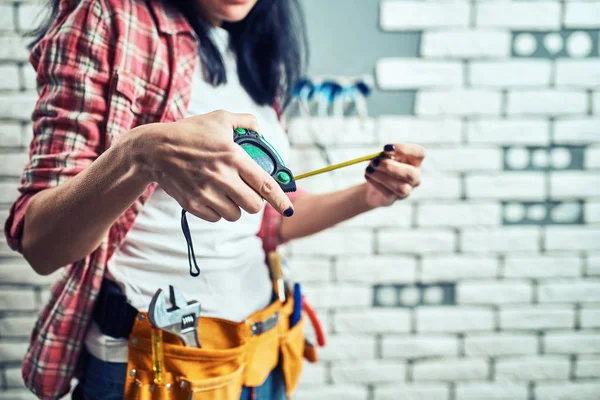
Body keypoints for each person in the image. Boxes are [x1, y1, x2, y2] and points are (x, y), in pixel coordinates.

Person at [4, 0, 425, 399]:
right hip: (157, 366)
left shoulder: (253, 51)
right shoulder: (108, 15)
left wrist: (368, 196)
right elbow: (41, 245)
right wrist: (141, 153)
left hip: (263, 352)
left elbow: (270, 218)